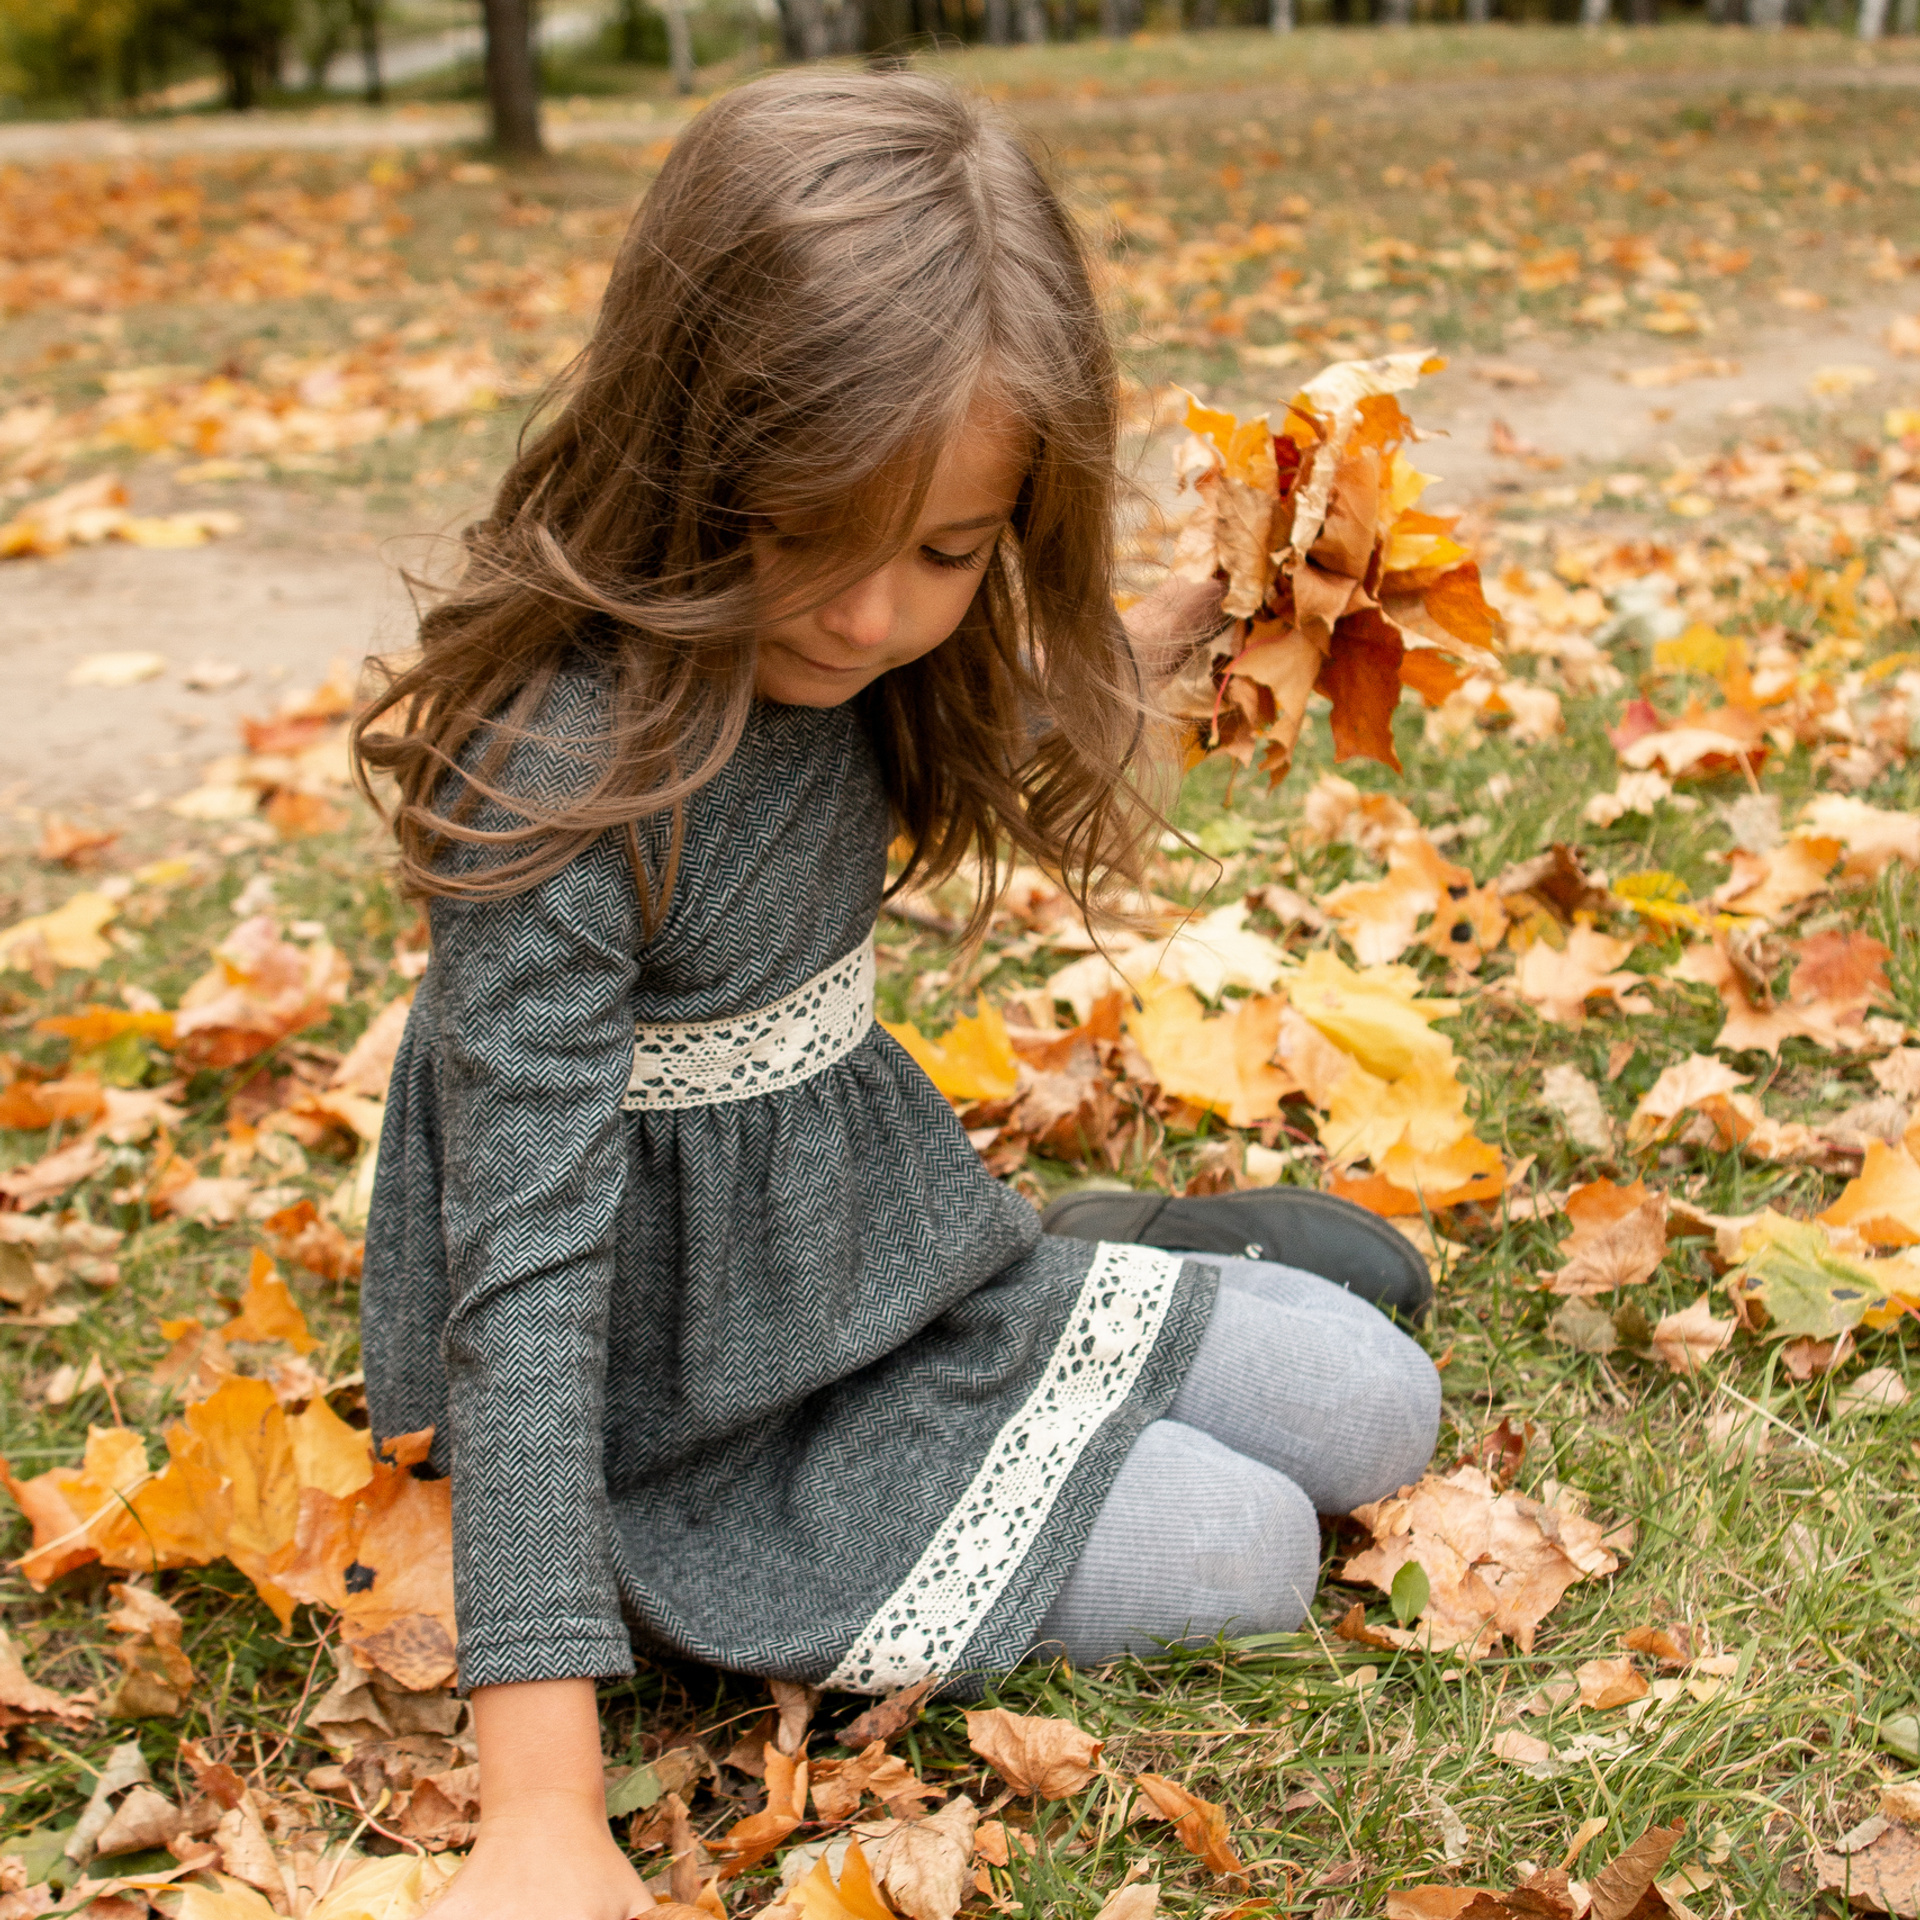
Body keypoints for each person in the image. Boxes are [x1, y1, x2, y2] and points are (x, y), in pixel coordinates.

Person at [353, 69, 1440, 1918]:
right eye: (811, 534)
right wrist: (538, 1806)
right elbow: (522, 1283)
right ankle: (1062, 1294)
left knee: (1377, 1400)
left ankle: (1076, 1249)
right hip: (681, 1406)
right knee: (1248, 1553)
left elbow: (1002, 707)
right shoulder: (564, 777)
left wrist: (1208, 613)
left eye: (946, 552)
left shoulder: (860, 655)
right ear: (687, 449)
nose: (871, 617)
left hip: (876, 1259)